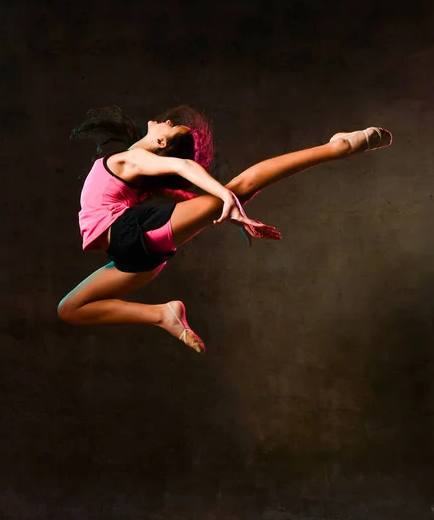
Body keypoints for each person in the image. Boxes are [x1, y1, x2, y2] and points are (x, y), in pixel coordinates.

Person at [58, 105, 392, 354]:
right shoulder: (139, 172)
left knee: (239, 187)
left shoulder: (126, 160)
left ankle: (338, 147)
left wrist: (224, 197)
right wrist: (223, 204)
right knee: (70, 310)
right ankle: (162, 315)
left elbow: (182, 164)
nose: (168, 121)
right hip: (136, 252)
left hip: (133, 236)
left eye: (172, 127)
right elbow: (184, 182)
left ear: (160, 141)